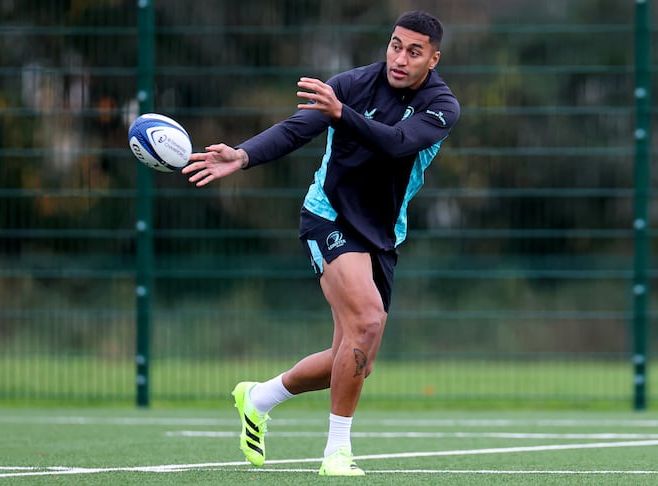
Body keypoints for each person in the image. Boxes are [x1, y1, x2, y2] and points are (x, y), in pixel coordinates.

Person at [183, 10, 459, 476]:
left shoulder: (441, 106)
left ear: (433, 59)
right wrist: (243, 155)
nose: (400, 58)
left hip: (381, 235)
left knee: (353, 360)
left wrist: (340, 114)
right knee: (368, 321)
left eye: (414, 51)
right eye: (395, 45)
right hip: (327, 215)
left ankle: (259, 396)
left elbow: (395, 143)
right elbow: (297, 129)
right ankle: (337, 452)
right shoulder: (349, 85)